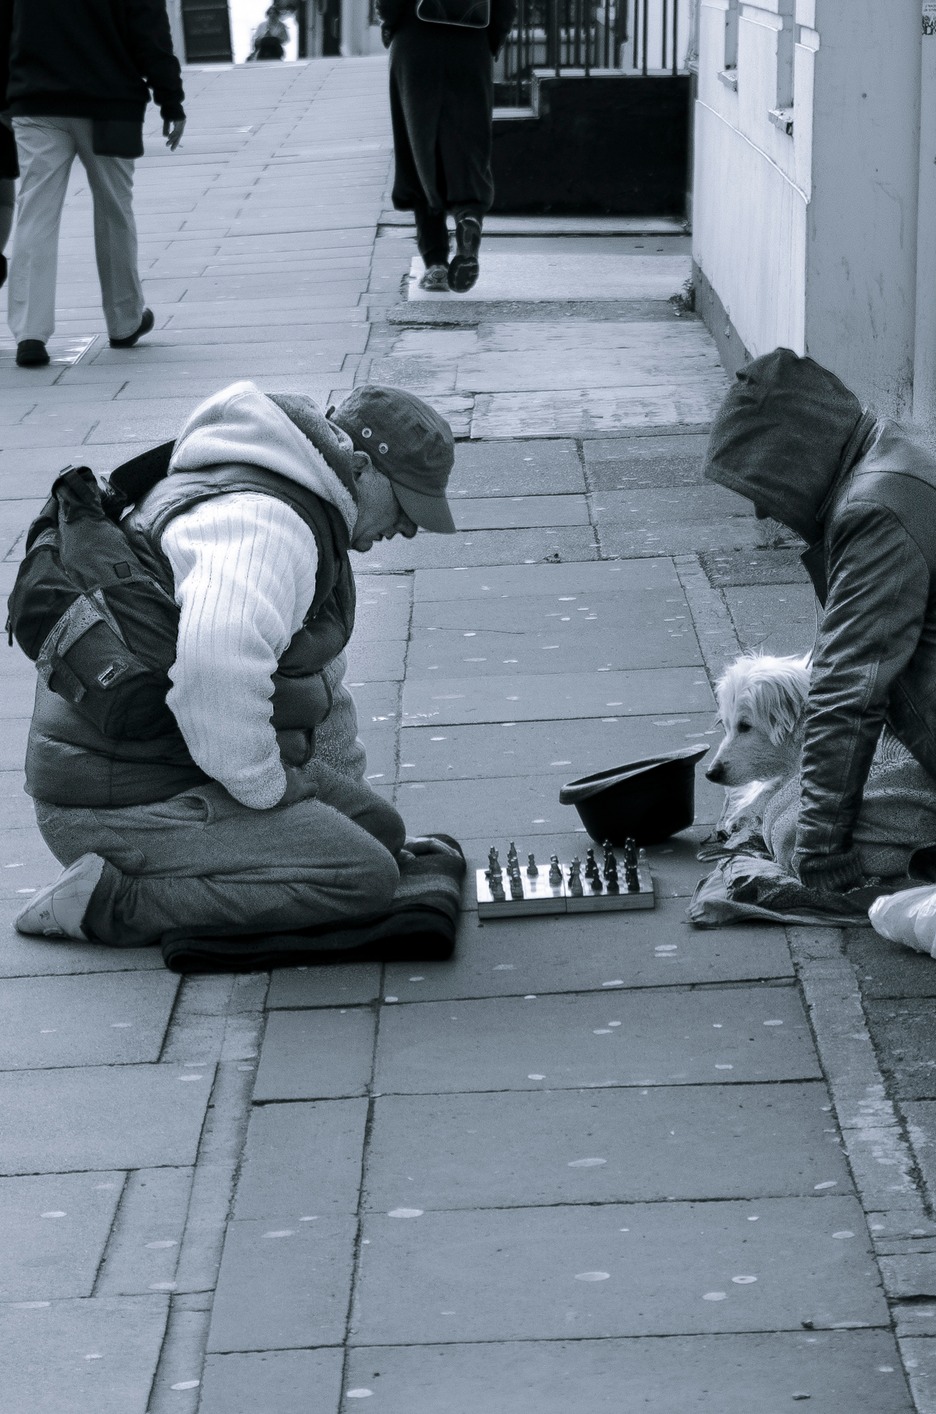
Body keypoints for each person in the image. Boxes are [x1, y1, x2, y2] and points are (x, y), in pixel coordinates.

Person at [15, 381, 459, 947]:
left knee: (381, 834)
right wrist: (272, 792)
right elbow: (215, 675)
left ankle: (249, 852)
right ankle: (108, 902)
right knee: (363, 878)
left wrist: (343, 807)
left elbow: (318, 682)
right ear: (363, 468)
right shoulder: (264, 526)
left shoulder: (302, 495)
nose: (409, 528)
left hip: (169, 763)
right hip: (118, 801)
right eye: (406, 504)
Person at [704, 347, 936, 895]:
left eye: (763, 484)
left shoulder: (873, 509)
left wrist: (820, 850)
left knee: (785, 825)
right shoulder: (894, 458)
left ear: (796, 452)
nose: (764, 510)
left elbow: (845, 693)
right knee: (785, 800)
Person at [0, 0, 186, 369]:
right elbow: (149, 33)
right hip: (110, 102)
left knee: (35, 211)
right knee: (114, 208)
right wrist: (171, 101)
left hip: (36, 100)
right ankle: (124, 321)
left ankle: (30, 334)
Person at [378, 0, 516, 293]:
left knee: (417, 146)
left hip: (415, 41)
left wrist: (390, 25)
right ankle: (468, 218)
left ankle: (436, 262)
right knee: (469, 141)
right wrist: (493, 38)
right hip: (471, 43)